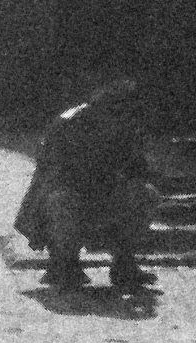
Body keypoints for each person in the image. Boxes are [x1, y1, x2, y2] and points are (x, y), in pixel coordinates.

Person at [16, 74, 158, 291]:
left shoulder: (126, 127)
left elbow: (138, 171)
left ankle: (124, 263)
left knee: (145, 195)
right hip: (70, 192)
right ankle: (64, 263)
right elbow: (51, 175)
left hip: (107, 193)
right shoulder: (68, 124)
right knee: (61, 201)